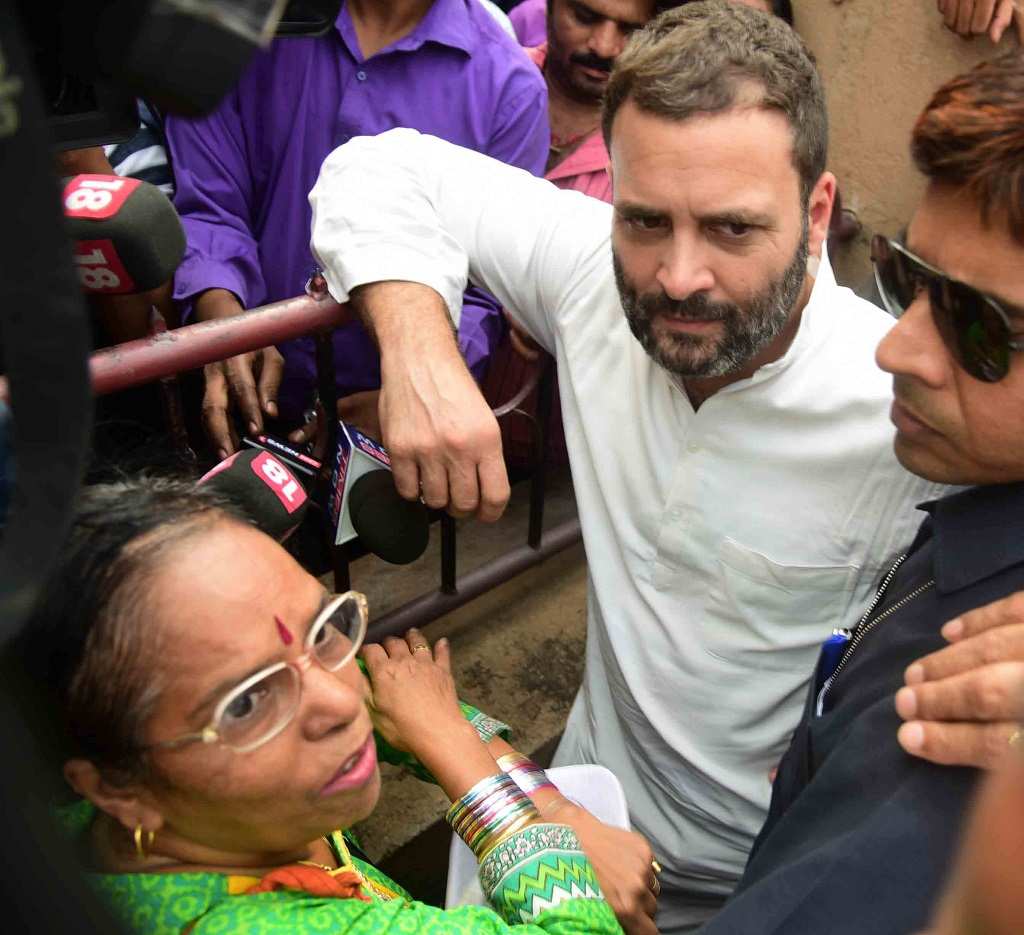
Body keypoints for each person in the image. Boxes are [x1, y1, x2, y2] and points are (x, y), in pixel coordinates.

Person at [303, 4, 945, 928]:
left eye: (731, 230)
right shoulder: (591, 277)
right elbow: (378, 165)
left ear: (815, 213)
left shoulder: (902, 408)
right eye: (646, 221)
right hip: (569, 823)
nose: (679, 275)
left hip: (757, 892)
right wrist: (420, 350)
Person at [27, 477, 663, 935]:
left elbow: (398, 704)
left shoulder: (182, 807)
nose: (340, 700)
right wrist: (495, 797)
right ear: (116, 787)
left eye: (323, 627)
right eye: (248, 701)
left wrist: (544, 803)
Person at [695, 52, 1024, 932]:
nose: (898, 348)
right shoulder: (981, 502)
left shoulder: (964, 720)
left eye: (979, 327)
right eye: (910, 279)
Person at [164, 0, 549, 458]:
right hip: (230, 413)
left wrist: (405, 396)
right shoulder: (242, 37)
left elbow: (484, 292)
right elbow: (208, 204)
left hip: (384, 444)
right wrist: (224, 325)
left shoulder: (508, 87)